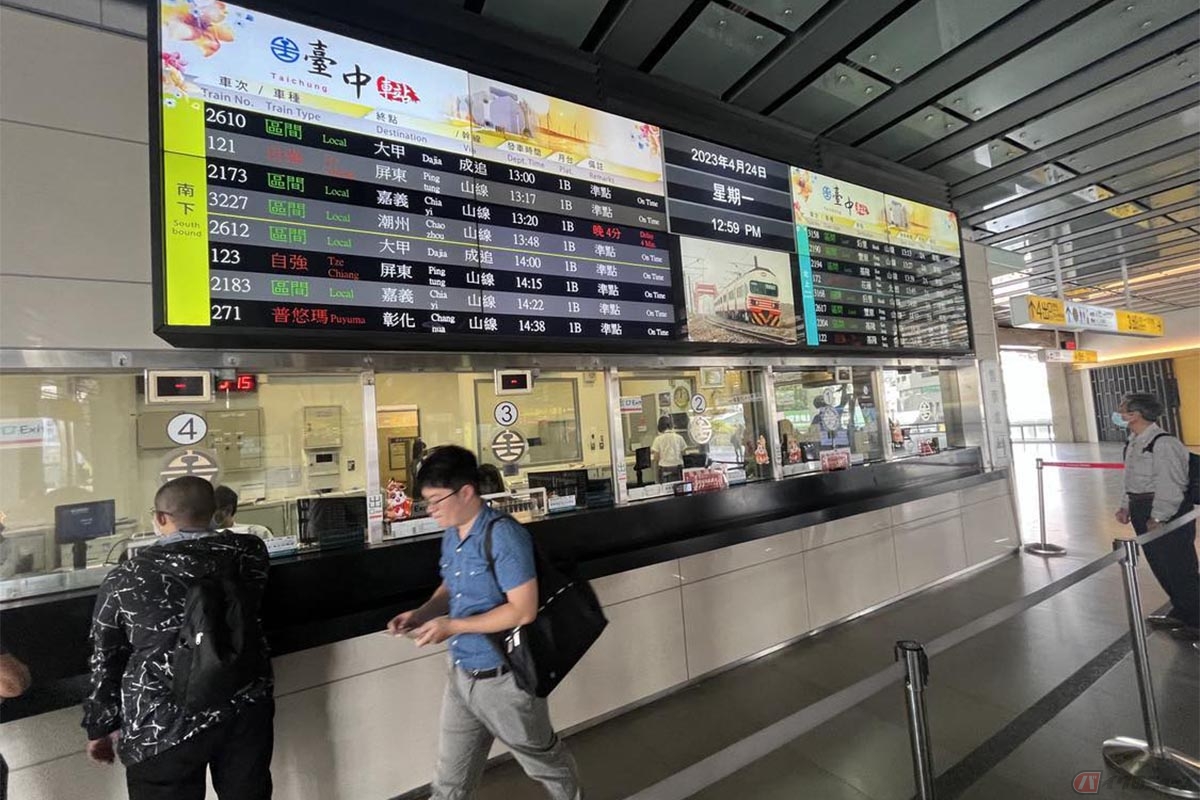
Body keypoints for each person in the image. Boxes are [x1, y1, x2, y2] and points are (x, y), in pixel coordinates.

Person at [387, 446, 580, 800]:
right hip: (462, 674)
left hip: (505, 680)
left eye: (436, 501)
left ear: (466, 492)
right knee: (449, 781)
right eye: (426, 502)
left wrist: (453, 627)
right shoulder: (453, 532)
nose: (431, 511)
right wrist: (422, 613)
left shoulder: (504, 537)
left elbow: (523, 611)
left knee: (543, 761)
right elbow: (453, 585)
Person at [82, 476, 275, 800]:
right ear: (215, 512)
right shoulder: (248, 552)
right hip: (244, 703)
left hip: (161, 719)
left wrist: (100, 725)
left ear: (159, 519)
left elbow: (106, 654)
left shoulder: (127, 576)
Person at [1113, 393, 1198, 641]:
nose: (1119, 413)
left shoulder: (1164, 444)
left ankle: (1196, 618)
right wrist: (1125, 506)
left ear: (1136, 414)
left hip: (1165, 511)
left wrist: (1160, 516)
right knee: (1160, 563)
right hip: (1142, 507)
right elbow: (1131, 480)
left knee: (1179, 565)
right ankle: (1182, 611)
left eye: (1123, 409)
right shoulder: (1134, 441)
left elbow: (1171, 484)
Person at [651, 416, 686, 484]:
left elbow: (656, 458)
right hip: (679, 468)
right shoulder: (679, 438)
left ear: (659, 426)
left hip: (664, 469)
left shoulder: (658, 439)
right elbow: (684, 455)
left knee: (666, 490)